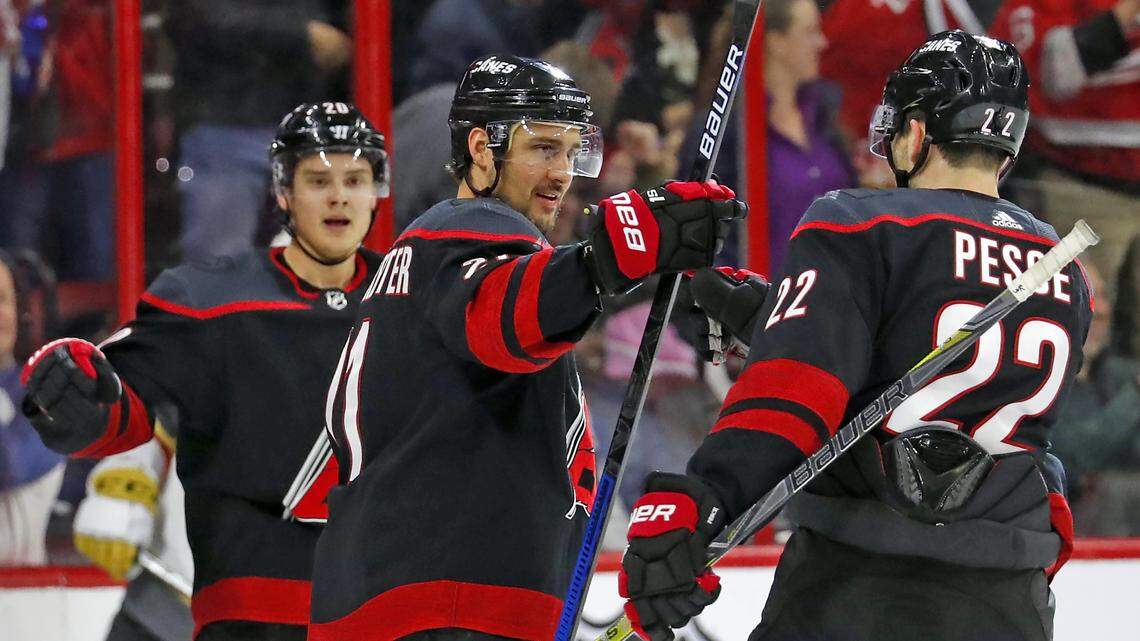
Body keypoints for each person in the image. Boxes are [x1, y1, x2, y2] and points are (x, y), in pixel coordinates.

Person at [618, 31, 1093, 641]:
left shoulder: (864, 223)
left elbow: (797, 394)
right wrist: (776, 318)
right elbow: (948, 361)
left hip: (858, 585)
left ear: (918, 132)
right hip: (1007, 599)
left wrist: (706, 494)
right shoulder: (1062, 269)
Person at [307, 54, 745, 641]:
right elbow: (502, 315)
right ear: (483, 150)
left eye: (571, 151)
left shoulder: (421, 256)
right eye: (542, 148)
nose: (562, 172)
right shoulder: (474, 229)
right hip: (450, 607)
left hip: (395, 598)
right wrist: (607, 259)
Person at [20, 102, 388, 641]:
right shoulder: (205, 300)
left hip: (377, 616)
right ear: (283, 192)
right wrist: (76, 400)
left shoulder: (413, 304)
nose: (338, 196)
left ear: (376, 191)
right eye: (318, 179)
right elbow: (122, 401)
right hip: (245, 620)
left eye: (355, 179)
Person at [0, 250, 64, 565]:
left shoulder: (46, 393)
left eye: (0, 299)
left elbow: (8, 465)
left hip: (26, 596)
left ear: (20, 311)